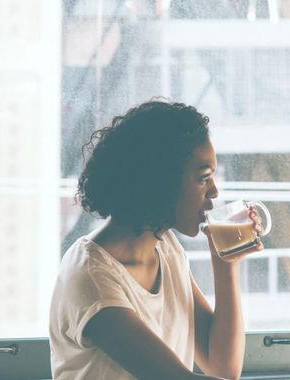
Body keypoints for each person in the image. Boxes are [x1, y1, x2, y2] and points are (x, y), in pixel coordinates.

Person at [49, 100, 263, 380]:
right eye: (203, 178)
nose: (213, 192)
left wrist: (226, 264)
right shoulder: (91, 277)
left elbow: (222, 366)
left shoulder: (166, 249)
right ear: (161, 180)